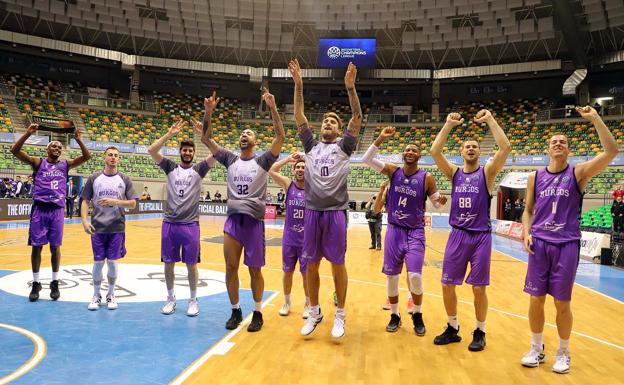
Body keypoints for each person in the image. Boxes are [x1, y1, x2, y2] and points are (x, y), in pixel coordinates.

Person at [521, 106, 618, 373]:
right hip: (539, 244)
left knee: (562, 302)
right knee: (535, 300)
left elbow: (611, 152)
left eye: (563, 142)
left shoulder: (577, 174)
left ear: (568, 150)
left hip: (566, 244)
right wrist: (526, 232)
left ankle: (563, 352)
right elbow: (527, 211)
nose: (558, 144)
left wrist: (595, 118)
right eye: (554, 142)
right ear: (548, 149)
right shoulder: (534, 177)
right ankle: (536, 348)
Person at [197, 89, 284, 332]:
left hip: (254, 223)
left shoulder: (263, 161)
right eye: (242, 133)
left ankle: (257, 311)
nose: (244, 135)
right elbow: (206, 138)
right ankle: (235, 310)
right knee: (230, 268)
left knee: (255, 270)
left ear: (255, 141)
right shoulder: (229, 159)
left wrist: (273, 108)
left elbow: (280, 136)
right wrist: (208, 112)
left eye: (249, 133)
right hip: (233, 223)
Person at [289, 59, 362, 339]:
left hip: (334, 213)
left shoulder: (344, 146)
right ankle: (315, 310)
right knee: (310, 264)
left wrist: (350, 88)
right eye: (325, 120)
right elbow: (298, 115)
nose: (327, 123)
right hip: (311, 211)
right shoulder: (310, 145)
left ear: (339, 128)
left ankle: (340, 315)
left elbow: (357, 119)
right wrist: (299, 85)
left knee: (337, 264)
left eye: (333, 120)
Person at [430, 109, 511, 351]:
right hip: (457, 234)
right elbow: (435, 151)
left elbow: (505, 148)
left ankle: (480, 330)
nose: (471, 148)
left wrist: (490, 120)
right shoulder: (454, 173)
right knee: (446, 284)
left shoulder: (486, 173)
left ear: (480, 152)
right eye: (467, 146)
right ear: (462, 152)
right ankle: (453, 327)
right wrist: (447, 125)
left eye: (475, 146)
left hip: (480, 236)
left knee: (478, 288)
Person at [363, 126, 447, 335]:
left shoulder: (427, 178)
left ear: (419, 156)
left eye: (414, 150)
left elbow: (437, 204)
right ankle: (395, 314)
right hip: (394, 230)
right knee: (391, 278)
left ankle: (417, 314)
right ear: (403, 154)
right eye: (407, 150)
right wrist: (381, 137)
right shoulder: (393, 171)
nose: (409, 152)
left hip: (415, 232)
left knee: (416, 276)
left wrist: (442, 201)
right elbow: (367, 159)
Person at [11, 124, 90, 301]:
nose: (57, 148)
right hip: (40, 209)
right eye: (53, 146)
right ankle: (36, 282)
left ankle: (54, 282)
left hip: (57, 211)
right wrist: (27, 134)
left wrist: (78, 140)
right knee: (37, 247)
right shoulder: (38, 162)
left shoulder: (65, 165)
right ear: (47, 149)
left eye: (59, 147)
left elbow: (87, 156)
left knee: (55, 247)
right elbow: (15, 151)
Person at [148, 120, 214, 317]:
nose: (187, 153)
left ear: (193, 153)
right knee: (168, 263)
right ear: (180, 152)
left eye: (189, 151)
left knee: (191, 264)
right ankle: (170, 298)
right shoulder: (170, 167)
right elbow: (152, 150)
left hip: (190, 225)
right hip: (170, 223)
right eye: (184, 150)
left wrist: (205, 136)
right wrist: (169, 134)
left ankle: (193, 300)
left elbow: (217, 154)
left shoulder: (199, 169)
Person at [81, 146, 138, 310]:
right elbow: (85, 200)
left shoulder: (125, 179)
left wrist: (116, 202)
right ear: (104, 157)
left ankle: (111, 294)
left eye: (116, 156)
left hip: (117, 227)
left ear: (119, 159)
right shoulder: (94, 178)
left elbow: (133, 203)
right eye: (110, 155)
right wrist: (85, 221)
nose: (113, 157)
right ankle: (96, 294)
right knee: (98, 262)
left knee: (112, 262)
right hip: (97, 228)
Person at [268, 153, 309, 318]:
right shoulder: (288, 184)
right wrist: (288, 159)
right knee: (288, 272)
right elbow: (271, 170)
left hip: (307, 240)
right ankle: (286, 302)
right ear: (293, 170)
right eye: (298, 167)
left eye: (303, 168)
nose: (300, 169)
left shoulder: (313, 187)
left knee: (306, 273)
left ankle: (308, 304)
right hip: (289, 238)